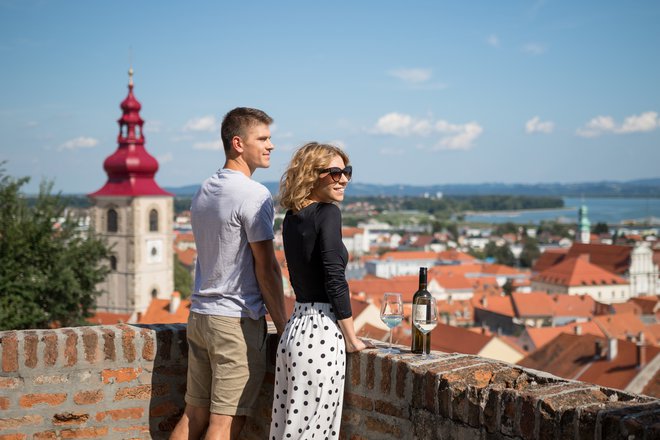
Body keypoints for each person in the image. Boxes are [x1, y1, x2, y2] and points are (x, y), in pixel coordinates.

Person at [170, 107, 287, 440]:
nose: (271, 145)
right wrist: (282, 327)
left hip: (201, 316)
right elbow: (266, 267)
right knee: (224, 423)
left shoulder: (204, 190)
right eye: (262, 138)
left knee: (193, 416)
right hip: (235, 321)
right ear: (238, 143)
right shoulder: (254, 194)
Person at [269, 142, 372, 440]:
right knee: (315, 433)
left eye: (346, 172)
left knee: (288, 430)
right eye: (335, 172)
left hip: (295, 329)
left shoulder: (292, 217)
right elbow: (334, 276)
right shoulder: (328, 213)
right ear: (311, 175)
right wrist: (351, 338)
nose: (343, 180)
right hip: (321, 334)